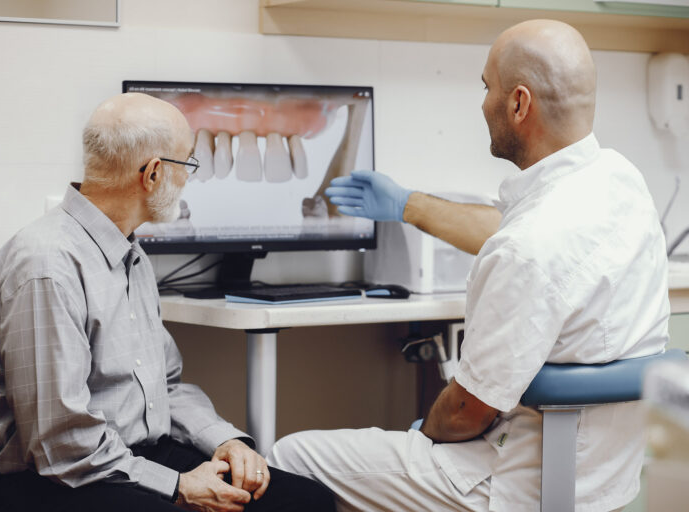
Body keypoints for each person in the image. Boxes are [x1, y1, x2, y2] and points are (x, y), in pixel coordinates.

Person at [266, 19, 670, 512]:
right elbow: (519, 233)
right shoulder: (619, 181)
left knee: (287, 457)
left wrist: (426, 431)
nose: (482, 103)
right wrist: (408, 204)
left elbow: (465, 413)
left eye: (486, 87)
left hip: (513, 482)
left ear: (519, 104)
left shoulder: (528, 247)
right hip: (605, 480)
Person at [0, 92, 335, 512]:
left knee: (306, 501)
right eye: (188, 164)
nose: (190, 177)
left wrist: (225, 440)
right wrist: (179, 486)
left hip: (130, 457)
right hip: (52, 484)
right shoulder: (47, 266)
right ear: (153, 174)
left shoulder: (128, 254)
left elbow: (166, 387)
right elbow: (60, 444)